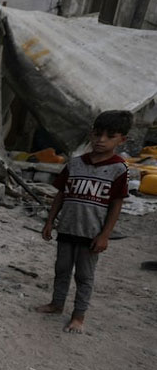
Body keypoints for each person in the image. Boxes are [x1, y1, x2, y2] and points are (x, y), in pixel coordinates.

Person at [35, 110, 132, 333]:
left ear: (122, 139)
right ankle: (56, 304)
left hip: (92, 233)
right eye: (98, 134)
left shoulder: (119, 168)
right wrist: (50, 221)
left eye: (110, 136)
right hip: (67, 227)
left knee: (84, 275)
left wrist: (105, 235)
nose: (101, 140)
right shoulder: (75, 164)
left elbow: (116, 203)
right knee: (61, 269)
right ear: (91, 134)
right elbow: (60, 194)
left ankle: (78, 316)